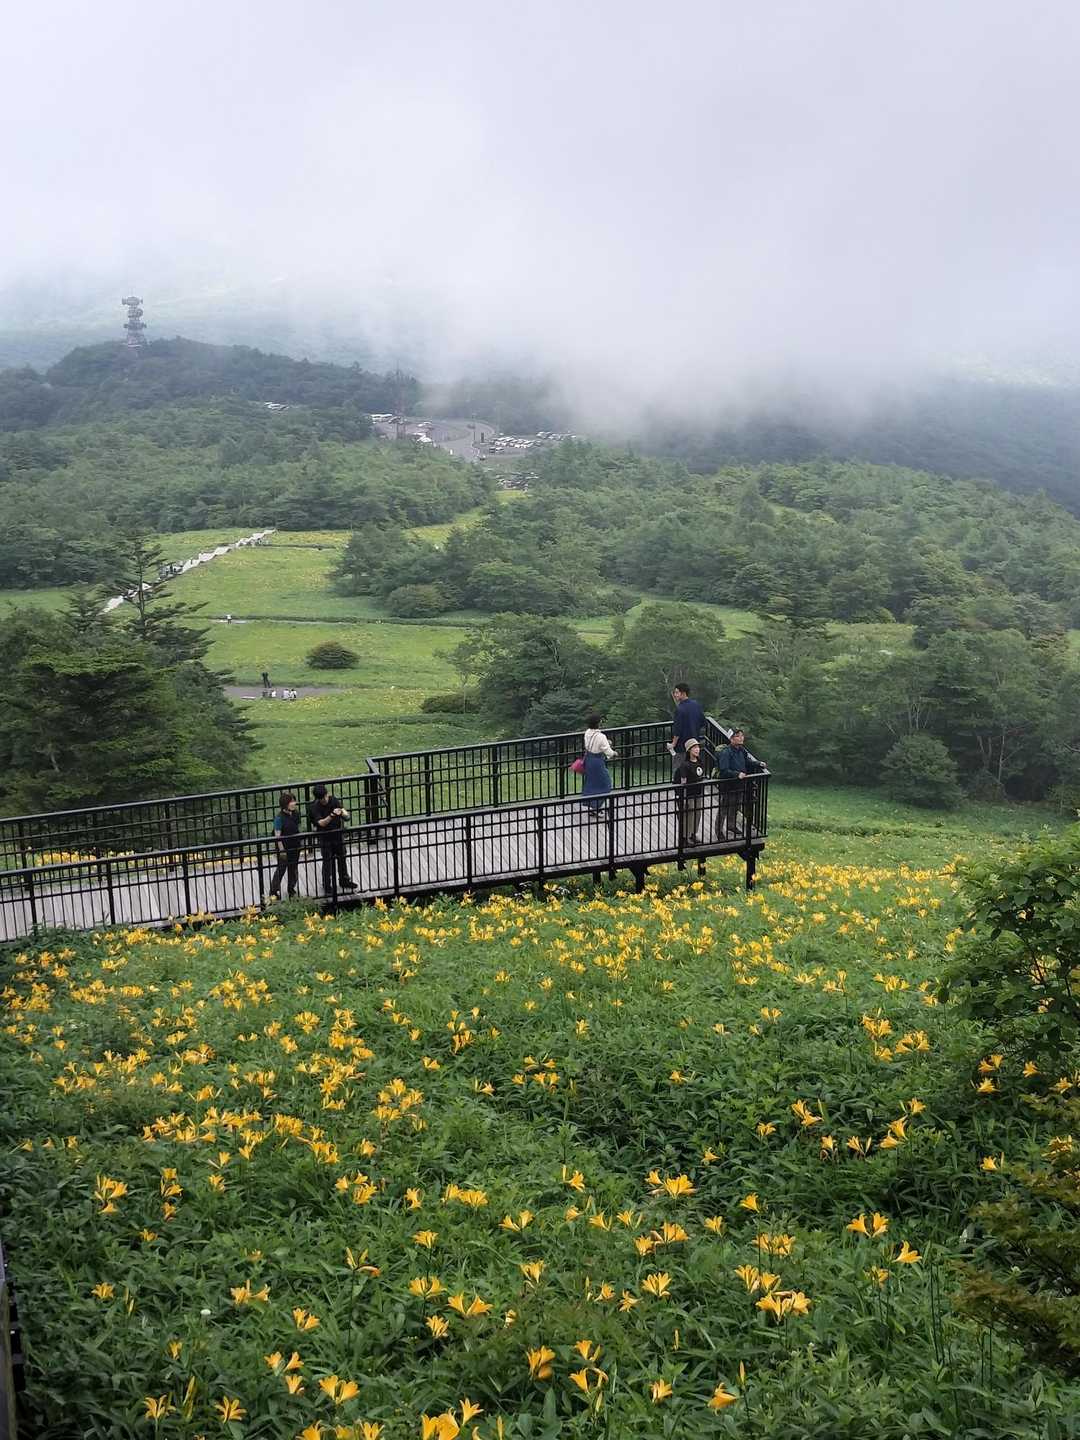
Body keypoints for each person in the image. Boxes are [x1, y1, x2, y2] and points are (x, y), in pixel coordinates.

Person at [715, 727, 767, 838]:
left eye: (742, 735)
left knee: (735, 806)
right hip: (728, 785)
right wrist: (737, 774)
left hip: (739, 784)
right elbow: (724, 770)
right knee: (724, 808)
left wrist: (758, 763)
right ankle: (718, 830)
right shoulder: (726, 752)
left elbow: (747, 761)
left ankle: (731, 825)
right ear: (731, 739)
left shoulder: (741, 750)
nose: (741, 738)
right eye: (738, 736)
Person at [307, 783, 358, 894]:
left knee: (342, 857)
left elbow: (343, 810)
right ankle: (327, 885)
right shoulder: (314, 807)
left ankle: (344, 880)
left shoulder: (333, 800)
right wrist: (332, 815)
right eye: (322, 798)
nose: (325, 799)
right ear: (318, 798)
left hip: (338, 835)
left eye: (325, 796)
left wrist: (345, 814)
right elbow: (321, 823)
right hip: (325, 837)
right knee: (327, 861)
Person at [674, 735, 712, 845]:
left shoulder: (700, 762)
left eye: (698, 747)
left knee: (697, 814)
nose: (697, 750)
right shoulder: (685, 765)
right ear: (689, 750)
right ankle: (685, 837)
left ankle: (693, 834)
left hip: (698, 792)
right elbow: (683, 782)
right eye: (694, 748)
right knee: (689, 815)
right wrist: (683, 797)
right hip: (689, 794)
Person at [581, 712, 617, 818]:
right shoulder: (601, 736)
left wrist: (606, 743)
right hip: (597, 762)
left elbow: (592, 745)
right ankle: (596, 808)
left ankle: (592, 807)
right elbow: (608, 752)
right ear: (598, 723)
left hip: (589, 760)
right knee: (606, 784)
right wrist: (615, 753)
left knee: (592, 784)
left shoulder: (587, 732)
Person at [268, 791, 302, 900]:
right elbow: (277, 836)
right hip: (284, 847)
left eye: (294, 801)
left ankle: (291, 889)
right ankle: (273, 891)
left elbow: (297, 827)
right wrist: (282, 850)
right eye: (291, 801)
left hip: (295, 845)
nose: (294, 803)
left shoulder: (296, 814)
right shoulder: (279, 818)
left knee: (293, 868)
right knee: (281, 869)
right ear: (285, 804)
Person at [669, 684, 706, 774]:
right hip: (694, 744)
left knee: (679, 771)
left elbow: (677, 730)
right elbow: (703, 722)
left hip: (681, 746)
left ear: (683, 693)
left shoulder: (680, 709)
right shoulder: (696, 705)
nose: (675, 695)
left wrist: (673, 744)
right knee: (694, 771)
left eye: (677, 692)